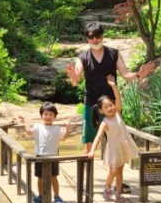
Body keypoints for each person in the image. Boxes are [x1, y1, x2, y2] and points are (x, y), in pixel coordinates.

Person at [66, 21, 155, 153]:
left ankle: (116, 171)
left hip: (111, 104)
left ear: (103, 36)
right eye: (91, 37)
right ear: (87, 38)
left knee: (116, 140)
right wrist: (74, 77)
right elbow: (76, 79)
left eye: (98, 36)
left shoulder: (114, 53)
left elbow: (125, 74)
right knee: (89, 143)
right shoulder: (83, 58)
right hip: (91, 103)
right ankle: (86, 172)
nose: (95, 40)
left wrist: (138, 74)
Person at [86, 75, 139, 203]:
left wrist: (113, 86)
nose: (110, 108)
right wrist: (92, 151)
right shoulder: (105, 122)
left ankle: (118, 193)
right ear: (101, 110)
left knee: (120, 171)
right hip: (113, 149)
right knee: (113, 170)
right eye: (106, 107)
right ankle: (107, 188)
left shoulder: (118, 114)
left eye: (111, 105)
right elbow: (98, 137)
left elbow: (118, 99)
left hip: (123, 146)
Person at [17, 103, 74, 203]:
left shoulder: (57, 128)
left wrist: (67, 128)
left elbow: (63, 138)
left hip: (53, 157)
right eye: (46, 114)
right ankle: (40, 196)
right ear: (41, 115)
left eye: (51, 114)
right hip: (40, 156)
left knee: (53, 177)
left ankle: (56, 196)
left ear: (55, 117)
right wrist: (26, 120)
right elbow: (29, 132)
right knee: (40, 178)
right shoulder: (38, 126)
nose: (48, 117)